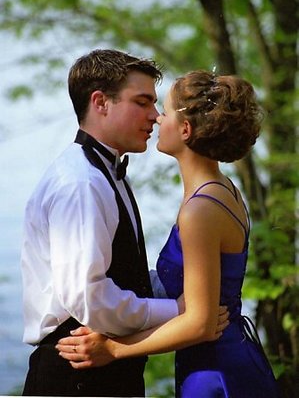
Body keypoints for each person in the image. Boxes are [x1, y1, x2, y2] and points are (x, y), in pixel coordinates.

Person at [57, 69, 279, 398]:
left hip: (215, 373)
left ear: (185, 129)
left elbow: (200, 324)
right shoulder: (222, 189)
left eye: (167, 111)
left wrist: (114, 349)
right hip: (222, 356)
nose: (158, 118)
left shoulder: (201, 210)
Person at [21, 50, 228, 397]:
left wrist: (191, 293)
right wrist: (176, 310)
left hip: (103, 370)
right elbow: (89, 297)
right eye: (143, 103)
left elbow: (121, 273)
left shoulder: (105, 173)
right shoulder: (80, 183)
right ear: (101, 102)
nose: (156, 116)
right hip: (76, 373)